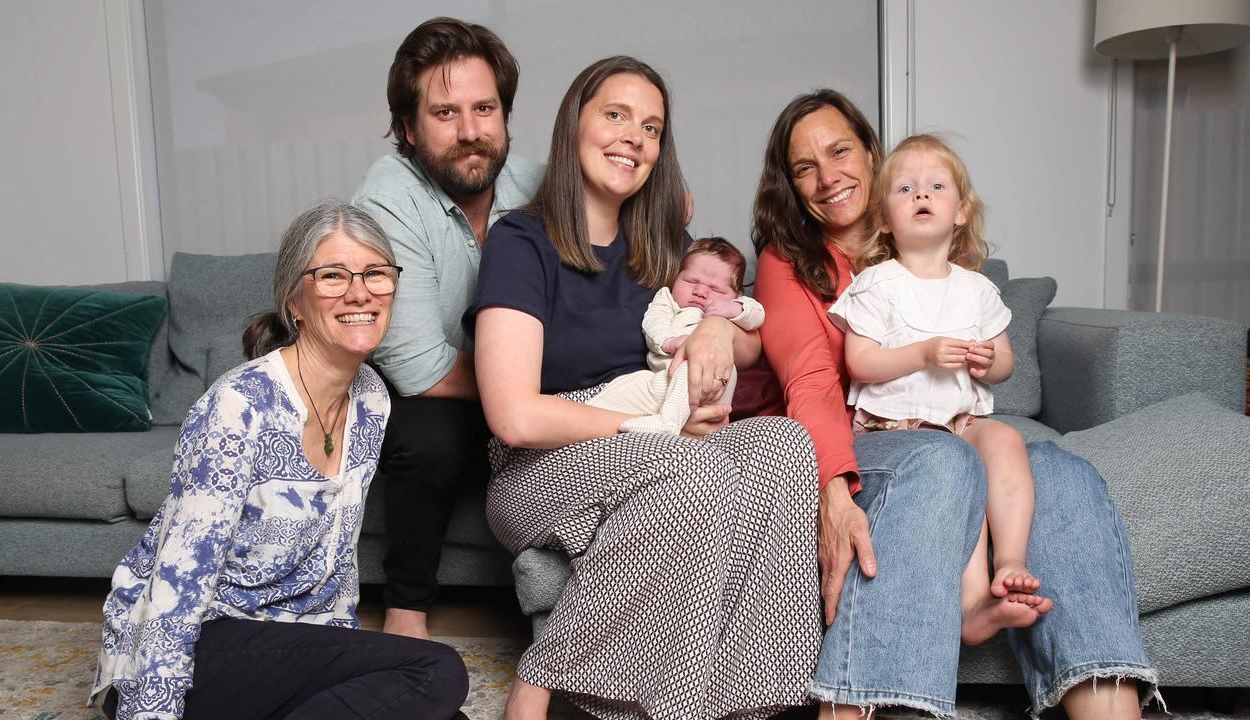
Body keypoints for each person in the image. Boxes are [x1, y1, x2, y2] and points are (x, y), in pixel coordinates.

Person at [750, 89, 1157, 719]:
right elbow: (811, 380)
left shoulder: (940, 254)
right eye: (804, 167)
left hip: (956, 427)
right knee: (944, 463)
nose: (827, 175)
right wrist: (832, 489)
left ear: (872, 155)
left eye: (839, 151)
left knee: (1060, 474)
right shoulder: (789, 261)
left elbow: (991, 355)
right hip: (858, 436)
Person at [467, 56, 820, 720]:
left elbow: (741, 336)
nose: (635, 136)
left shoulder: (663, 244)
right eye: (616, 115)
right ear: (575, 124)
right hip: (542, 461)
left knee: (782, 445)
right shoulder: (521, 241)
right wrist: (659, 435)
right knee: (689, 468)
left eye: (652, 127)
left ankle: (751, 702)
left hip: (660, 429)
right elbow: (513, 416)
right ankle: (551, 677)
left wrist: (717, 329)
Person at [90, 200, 468, 720]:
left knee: (439, 713)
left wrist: (351, 667)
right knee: (437, 671)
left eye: (376, 273)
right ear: (295, 300)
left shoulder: (371, 399)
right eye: (333, 275)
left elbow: (334, 572)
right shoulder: (240, 405)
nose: (360, 292)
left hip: (282, 651)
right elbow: (177, 586)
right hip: (196, 648)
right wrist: (153, 710)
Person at [352, 16, 543, 639]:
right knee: (428, 438)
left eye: (485, 108)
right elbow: (419, 365)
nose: (470, 132)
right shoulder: (386, 195)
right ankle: (406, 609)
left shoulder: (538, 183)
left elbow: (635, 216)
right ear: (409, 128)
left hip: (519, 395)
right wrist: (531, 395)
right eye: (445, 113)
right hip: (436, 398)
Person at [830, 133, 1051, 645]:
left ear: (960, 211)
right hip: (892, 430)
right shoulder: (877, 283)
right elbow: (859, 361)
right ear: (885, 218)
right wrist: (922, 354)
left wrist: (986, 361)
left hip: (958, 424)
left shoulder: (977, 289)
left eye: (935, 186)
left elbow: (1005, 365)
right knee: (956, 472)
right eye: (905, 189)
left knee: (1004, 441)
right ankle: (971, 601)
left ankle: (1011, 560)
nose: (921, 196)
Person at [586, 237, 765, 434]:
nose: (700, 291)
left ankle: (668, 424)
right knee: (623, 388)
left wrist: (733, 308)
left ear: (736, 293)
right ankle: (587, 416)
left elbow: (757, 314)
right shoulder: (667, 300)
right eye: (691, 281)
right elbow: (653, 321)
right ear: (676, 278)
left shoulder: (733, 306)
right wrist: (667, 342)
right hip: (662, 379)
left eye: (716, 289)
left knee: (693, 362)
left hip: (710, 379)